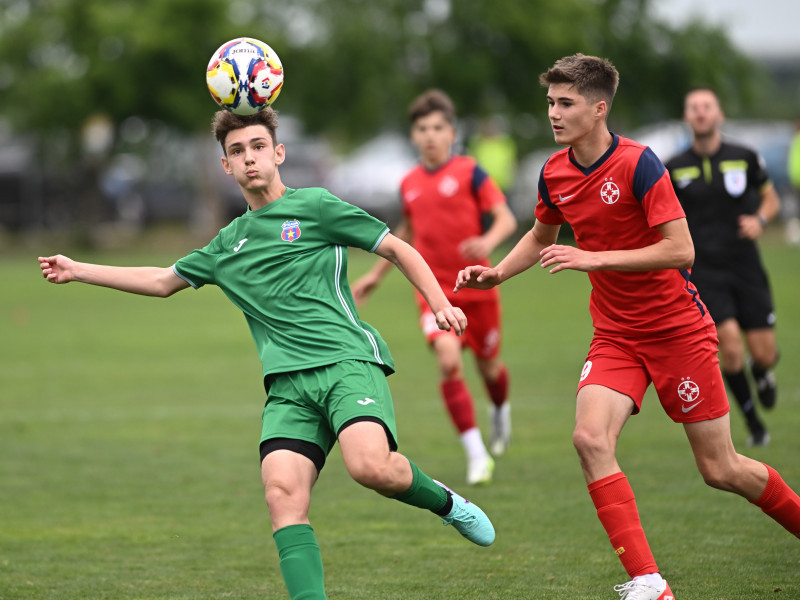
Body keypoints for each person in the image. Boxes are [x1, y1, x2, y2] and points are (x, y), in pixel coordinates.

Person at [38, 108, 495, 600]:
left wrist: (440, 302)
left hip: (346, 365)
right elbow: (161, 280)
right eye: (237, 151)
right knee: (281, 494)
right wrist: (78, 269)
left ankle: (445, 502)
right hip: (287, 388)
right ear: (226, 167)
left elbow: (398, 249)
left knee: (371, 468)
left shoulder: (317, 206)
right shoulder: (226, 245)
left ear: (278, 154)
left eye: (258, 147)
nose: (249, 158)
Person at [455, 53, 800, 600]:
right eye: (550, 102)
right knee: (589, 439)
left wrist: (596, 259)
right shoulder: (554, 171)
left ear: (599, 108)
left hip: (677, 332)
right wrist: (497, 273)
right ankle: (649, 580)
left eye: (566, 103)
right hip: (616, 335)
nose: (554, 113)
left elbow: (680, 250)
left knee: (721, 468)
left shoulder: (640, 164)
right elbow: (542, 236)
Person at [352, 89, 518, 485]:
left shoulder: (470, 172)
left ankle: (499, 411)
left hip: (478, 288)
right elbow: (406, 233)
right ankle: (477, 455)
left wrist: (488, 242)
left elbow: (506, 219)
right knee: (448, 362)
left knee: (490, 368)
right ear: (413, 135)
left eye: (438, 127)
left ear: (452, 132)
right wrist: (375, 277)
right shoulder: (408, 183)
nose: (429, 135)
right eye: (422, 128)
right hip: (435, 291)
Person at [665, 87, 780, 447]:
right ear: (686, 117)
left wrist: (760, 220)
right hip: (703, 270)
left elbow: (771, 198)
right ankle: (754, 425)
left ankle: (762, 373)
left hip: (745, 265)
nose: (700, 113)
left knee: (763, 352)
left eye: (707, 107)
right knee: (729, 348)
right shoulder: (673, 166)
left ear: (719, 115)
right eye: (694, 107)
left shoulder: (744, 156)